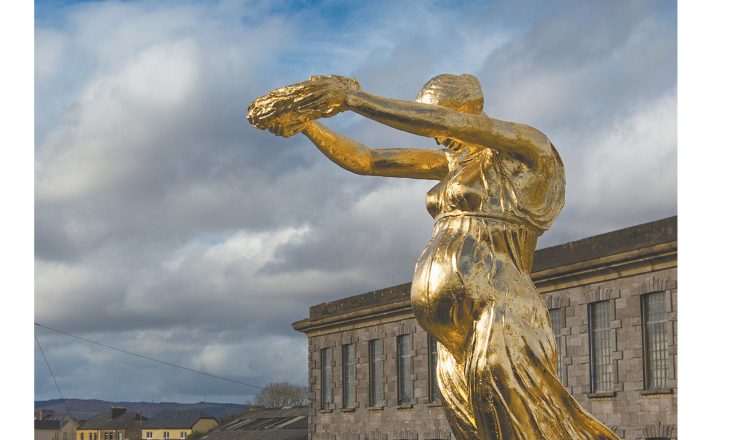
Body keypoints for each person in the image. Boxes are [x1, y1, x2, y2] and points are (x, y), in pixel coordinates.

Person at [248, 74, 618, 440]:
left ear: (470, 109)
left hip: (499, 312)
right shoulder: (453, 162)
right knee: (474, 432)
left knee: (511, 427)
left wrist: (351, 99)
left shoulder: (527, 149)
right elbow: (367, 159)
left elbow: (443, 123)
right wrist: (306, 125)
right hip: (452, 332)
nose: (436, 136)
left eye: (436, 117)